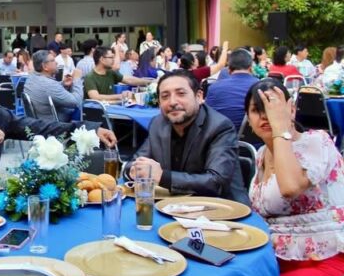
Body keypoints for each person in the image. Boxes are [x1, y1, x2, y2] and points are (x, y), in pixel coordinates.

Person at [245, 78, 344, 276]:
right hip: (278, 259)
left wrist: (281, 131)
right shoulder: (261, 155)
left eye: (273, 107)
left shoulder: (317, 142)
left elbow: (289, 187)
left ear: (291, 109)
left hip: (328, 262)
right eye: (257, 110)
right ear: (248, 118)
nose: (266, 116)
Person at [122, 70, 248, 203]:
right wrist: (133, 170)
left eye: (181, 94)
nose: (172, 102)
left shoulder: (220, 127)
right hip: (175, 206)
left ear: (199, 96)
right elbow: (136, 162)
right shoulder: (158, 124)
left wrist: (163, 177)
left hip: (224, 210)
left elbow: (216, 182)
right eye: (165, 96)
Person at [204, 48, 258, 131]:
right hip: (253, 140)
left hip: (220, 138)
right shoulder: (260, 86)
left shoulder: (213, 88)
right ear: (251, 68)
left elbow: (206, 116)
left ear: (228, 69)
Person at [24, 50, 83, 122]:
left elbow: (47, 90)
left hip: (38, 120)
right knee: (81, 107)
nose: (56, 62)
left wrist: (62, 84)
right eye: (53, 60)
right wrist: (77, 79)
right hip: (54, 124)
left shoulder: (30, 78)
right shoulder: (50, 85)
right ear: (45, 66)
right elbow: (77, 101)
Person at [83, 46, 151, 102]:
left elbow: (129, 80)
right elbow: (95, 97)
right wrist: (120, 96)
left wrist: (149, 82)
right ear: (102, 59)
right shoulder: (90, 77)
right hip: (97, 113)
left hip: (112, 110)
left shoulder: (110, 73)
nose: (113, 59)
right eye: (111, 57)